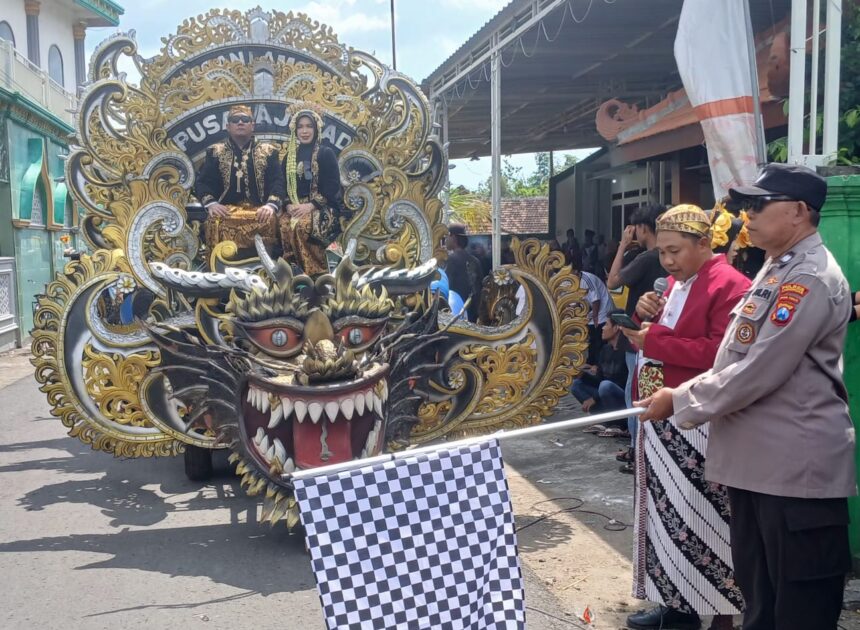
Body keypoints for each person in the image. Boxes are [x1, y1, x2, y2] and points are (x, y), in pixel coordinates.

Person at [636, 164, 856, 630]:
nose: (746, 216)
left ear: (798, 212)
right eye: (745, 206)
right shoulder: (775, 270)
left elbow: (757, 370)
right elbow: (733, 359)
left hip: (793, 471)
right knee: (760, 605)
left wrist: (680, 398)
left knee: (798, 610)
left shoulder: (809, 277)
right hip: (757, 466)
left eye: (758, 205)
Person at [621, 204, 750, 630]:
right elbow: (659, 334)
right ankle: (674, 600)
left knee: (701, 520)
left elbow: (719, 355)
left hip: (697, 421)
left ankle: (708, 611)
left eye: (676, 251)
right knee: (664, 516)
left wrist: (653, 339)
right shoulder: (676, 284)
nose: (669, 261)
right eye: (662, 253)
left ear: (704, 243)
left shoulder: (729, 285)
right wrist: (643, 311)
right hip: (661, 417)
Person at [606, 204, 667, 471]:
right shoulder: (666, 258)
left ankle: (636, 450)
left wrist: (622, 245)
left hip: (637, 337)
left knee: (636, 396)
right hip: (662, 336)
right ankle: (646, 450)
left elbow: (613, 282)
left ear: (642, 228)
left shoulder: (646, 257)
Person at [196, 104, 285, 254]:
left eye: (245, 119)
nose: (240, 123)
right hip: (226, 211)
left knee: (269, 219)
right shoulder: (215, 152)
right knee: (213, 221)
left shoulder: (269, 152)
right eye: (235, 119)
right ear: (228, 126)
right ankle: (218, 269)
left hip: (259, 210)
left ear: (252, 125)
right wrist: (211, 204)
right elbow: (203, 182)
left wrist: (271, 205)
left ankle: (267, 268)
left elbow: (278, 181)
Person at [279, 104, 346, 276]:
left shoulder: (325, 153)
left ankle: (316, 274)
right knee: (283, 224)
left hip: (323, 208)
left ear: (316, 129)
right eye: (300, 127)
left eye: (309, 126)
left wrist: (310, 206)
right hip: (295, 208)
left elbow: (332, 187)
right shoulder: (290, 156)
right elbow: (281, 185)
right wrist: (287, 205)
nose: (304, 131)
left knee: (303, 226)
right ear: (295, 130)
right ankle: (290, 273)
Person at [572, 309, 630, 437]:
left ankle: (619, 424)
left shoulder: (628, 352)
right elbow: (600, 378)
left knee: (606, 386)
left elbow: (624, 383)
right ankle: (604, 420)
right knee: (577, 384)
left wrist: (594, 398)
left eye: (607, 325)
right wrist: (582, 375)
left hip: (623, 400)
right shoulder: (605, 349)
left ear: (616, 328)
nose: (603, 328)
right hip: (605, 393)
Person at [573, 258, 614, 365]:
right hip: (591, 314)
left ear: (576, 271)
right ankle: (592, 363)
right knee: (592, 340)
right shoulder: (572, 281)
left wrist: (595, 317)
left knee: (599, 341)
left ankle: (599, 364)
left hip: (602, 312)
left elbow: (596, 300)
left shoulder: (586, 279)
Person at [445, 224, 483, 323]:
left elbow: (447, 288)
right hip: (474, 315)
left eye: (447, 236)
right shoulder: (476, 261)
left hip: (456, 315)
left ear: (453, 237)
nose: (445, 240)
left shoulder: (450, 260)